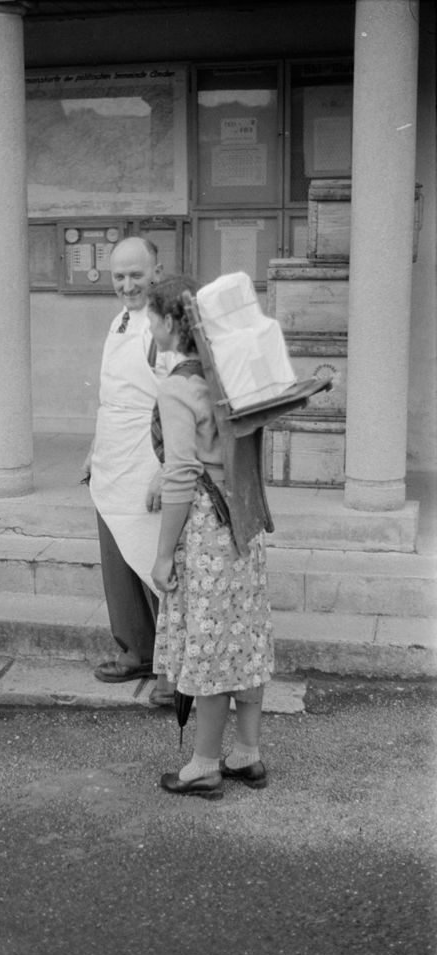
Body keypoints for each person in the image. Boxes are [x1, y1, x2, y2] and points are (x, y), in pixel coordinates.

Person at [148, 276, 274, 798]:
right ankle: (246, 752)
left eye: (152, 317)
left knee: (209, 647)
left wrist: (162, 555)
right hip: (244, 522)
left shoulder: (178, 386)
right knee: (243, 639)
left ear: (170, 322)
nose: (150, 326)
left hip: (206, 528)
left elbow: (181, 473)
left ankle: (203, 764)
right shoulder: (229, 376)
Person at [84, 236, 175, 706]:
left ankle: (173, 666)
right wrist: (94, 449)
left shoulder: (164, 325)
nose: (127, 285)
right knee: (118, 559)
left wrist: (168, 467)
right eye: (119, 276)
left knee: (152, 559)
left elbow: (177, 399)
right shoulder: (119, 320)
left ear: (157, 272)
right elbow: (112, 393)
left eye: (136, 275)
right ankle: (136, 648)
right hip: (113, 454)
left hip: (148, 452)